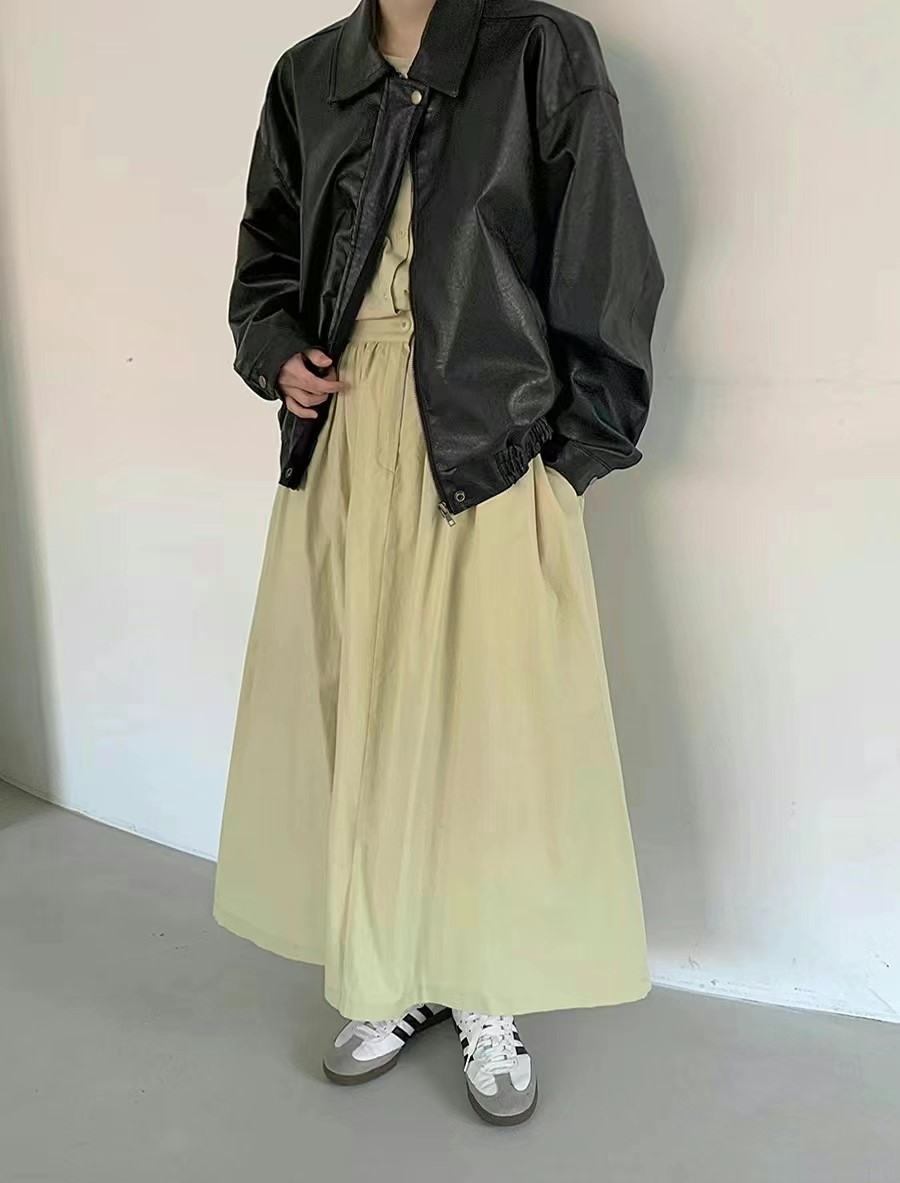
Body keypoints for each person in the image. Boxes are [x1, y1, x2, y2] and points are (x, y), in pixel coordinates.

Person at [214, 0, 663, 1127]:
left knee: (487, 724)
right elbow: (267, 252)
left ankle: (484, 986)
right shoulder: (310, 73)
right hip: (348, 437)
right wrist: (276, 351)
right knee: (362, 712)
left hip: (486, 439)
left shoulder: (538, 50)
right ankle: (387, 967)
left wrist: (571, 457)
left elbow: (605, 254)